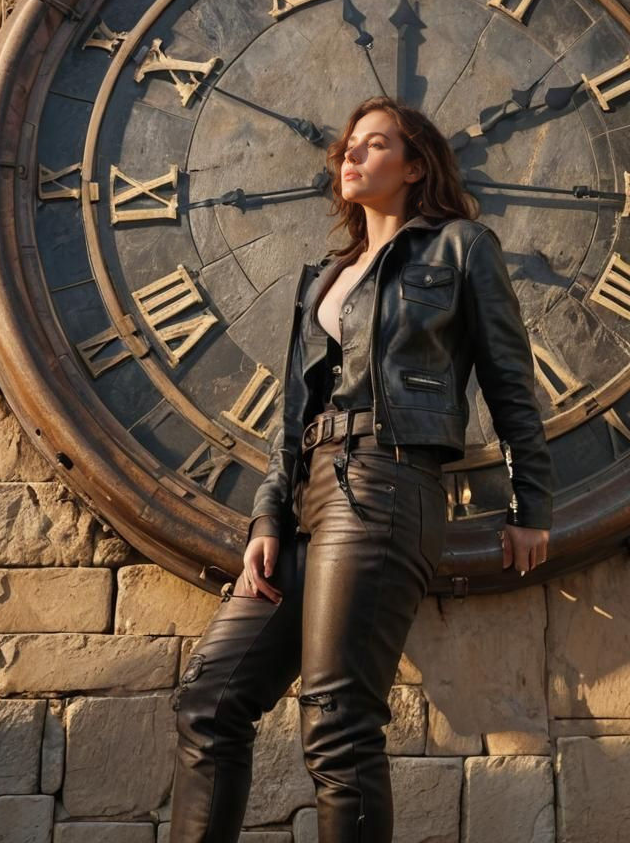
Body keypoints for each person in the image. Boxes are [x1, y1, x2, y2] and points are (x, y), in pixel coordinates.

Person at [169, 95, 554, 842]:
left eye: (375, 144)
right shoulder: (324, 276)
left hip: (387, 481)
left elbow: (510, 383)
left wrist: (530, 506)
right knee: (209, 701)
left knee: (337, 721)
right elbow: (292, 414)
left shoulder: (461, 248)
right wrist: (267, 516)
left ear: (415, 167)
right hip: (309, 496)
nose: (350, 153)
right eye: (349, 143)